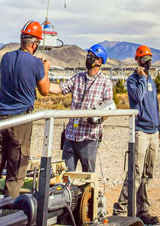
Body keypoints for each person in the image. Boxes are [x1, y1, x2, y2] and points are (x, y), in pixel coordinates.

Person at [0, 20, 50, 198]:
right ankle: (9, 209)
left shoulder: (5, 58)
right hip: (20, 121)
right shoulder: (36, 64)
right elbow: (44, 90)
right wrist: (45, 70)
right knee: (16, 166)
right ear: (34, 44)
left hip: (1, 119)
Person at [113, 45, 160, 226]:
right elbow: (138, 98)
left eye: (150, 59)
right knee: (134, 173)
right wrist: (142, 79)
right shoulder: (133, 80)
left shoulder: (152, 81)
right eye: (144, 60)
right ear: (137, 61)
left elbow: (155, 107)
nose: (148, 62)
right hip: (140, 132)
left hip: (153, 133)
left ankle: (143, 210)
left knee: (146, 175)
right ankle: (120, 210)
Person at [48, 43, 113, 172]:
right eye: (88, 55)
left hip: (89, 137)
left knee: (88, 178)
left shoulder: (105, 83)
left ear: (99, 61)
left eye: (91, 57)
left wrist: (97, 118)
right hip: (71, 135)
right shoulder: (78, 78)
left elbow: (109, 108)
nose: (88, 58)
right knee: (66, 176)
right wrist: (42, 80)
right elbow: (59, 88)